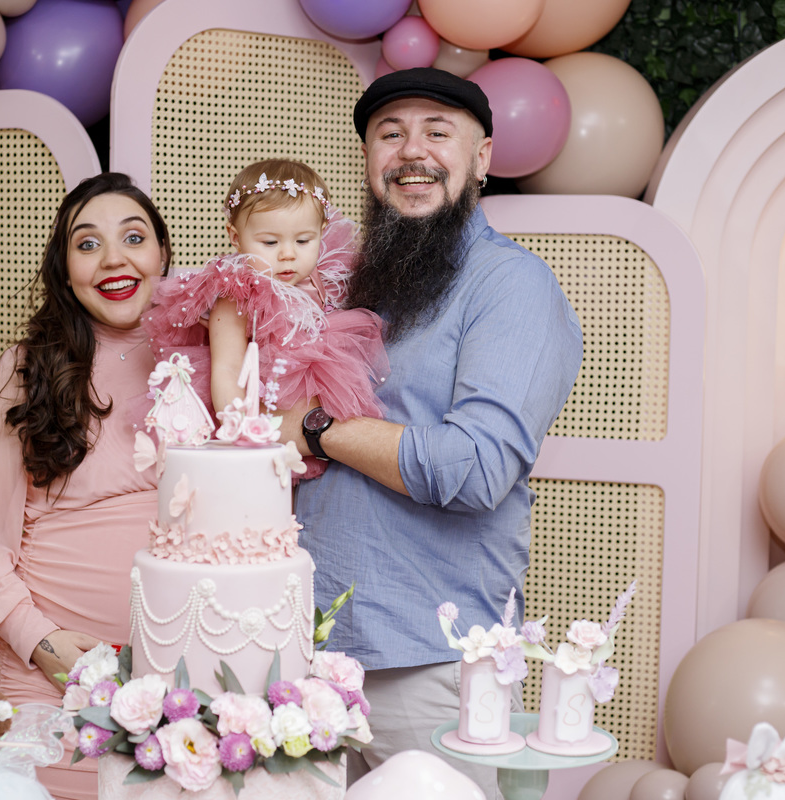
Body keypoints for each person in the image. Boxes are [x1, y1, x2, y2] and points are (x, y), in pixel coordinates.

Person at [279, 68, 584, 797]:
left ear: (482, 159)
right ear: (369, 161)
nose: (411, 151)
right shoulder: (346, 286)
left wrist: (319, 430)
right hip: (307, 660)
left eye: (437, 132)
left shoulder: (510, 285)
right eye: (390, 134)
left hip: (432, 665)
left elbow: (476, 467)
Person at [0, 172, 172, 800]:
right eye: (88, 243)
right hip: (55, 682)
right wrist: (43, 646)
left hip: (183, 685)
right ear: (66, 272)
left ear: (162, 253)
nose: (114, 258)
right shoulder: (25, 373)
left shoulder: (208, 361)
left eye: (134, 237)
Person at [144, 158, 388, 479]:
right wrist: (240, 428)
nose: (288, 254)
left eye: (303, 241)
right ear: (235, 237)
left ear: (321, 232)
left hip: (317, 403)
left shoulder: (321, 276)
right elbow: (228, 367)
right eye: (270, 242)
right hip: (263, 408)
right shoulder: (236, 294)